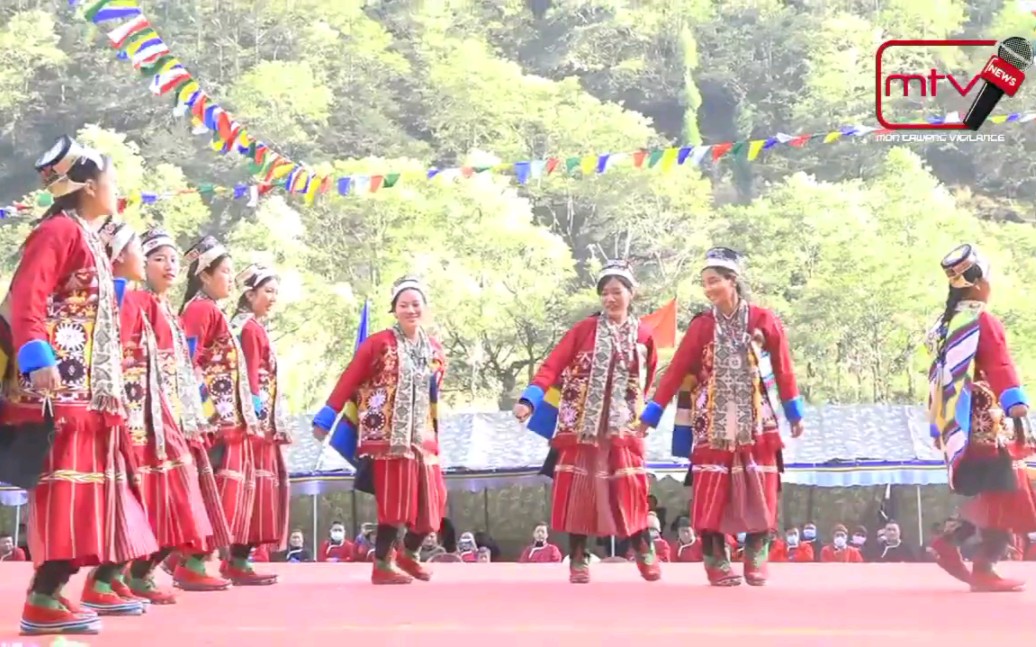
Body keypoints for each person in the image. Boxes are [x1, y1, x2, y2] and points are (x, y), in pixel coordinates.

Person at [0, 137, 158, 635]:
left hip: (87, 393)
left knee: (89, 492)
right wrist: (35, 354)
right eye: (111, 180)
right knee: (69, 490)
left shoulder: (86, 237)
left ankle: (53, 593)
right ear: (89, 186)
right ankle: (43, 597)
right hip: (60, 392)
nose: (115, 190)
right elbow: (29, 293)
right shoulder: (57, 232)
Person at [637, 247, 805, 587]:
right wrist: (651, 414)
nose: (709, 289)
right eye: (705, 284)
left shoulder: (763, 320)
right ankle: (716, 560)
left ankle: (756, 556)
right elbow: (676, 371)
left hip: (758, 421)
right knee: (711, 490)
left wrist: (794, 412)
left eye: (714, 281)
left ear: (733, 281)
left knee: (762, 487)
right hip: (712, 422)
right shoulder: (702, 326)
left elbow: (783, 367)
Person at [103, 223, 231, 599]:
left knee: (176, 497)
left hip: (171, 420)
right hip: (144, 423)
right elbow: (121, 357)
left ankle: (136, 574)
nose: (169, 266)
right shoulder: (135, 302)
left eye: (174, 260)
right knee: (162, 497)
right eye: (159, 258)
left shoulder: (166, 310)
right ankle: (123, 575)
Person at [514, 260, 661, 584]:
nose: (610, 299)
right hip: (582, 428)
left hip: (623, 428)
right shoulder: (583, 331)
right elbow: (552, 366)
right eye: (605, 293)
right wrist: (529, 400)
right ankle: (578, 557)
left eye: (617, 292)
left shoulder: (645, 335)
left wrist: (641, 413)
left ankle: (643, 546)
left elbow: (649, 378)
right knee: (581, 490)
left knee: (630, 489)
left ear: (631, 294)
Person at [311, 276, 448, 584]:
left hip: (423, 439)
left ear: (425, 308)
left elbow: (434, 392)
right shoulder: (379, 343)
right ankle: (382, 565)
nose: (410, 310)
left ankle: (409, 554)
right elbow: (350, 378)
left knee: (434, 503)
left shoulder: (435, 349)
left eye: (416, 304)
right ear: (394, 309)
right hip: (386, 438)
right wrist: (327, 416)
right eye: (404, 305)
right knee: (395, 505)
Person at [926, 244, 1036, 592]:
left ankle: (965, 552)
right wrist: (1016, 402)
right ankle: (977, 562)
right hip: (987, 424)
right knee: (1007, 494)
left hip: (958, 424)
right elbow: (1000, 364)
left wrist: (936, 424)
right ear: (976, 285)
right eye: (988, 279)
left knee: (996, 495)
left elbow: (936, 379)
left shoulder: (945, 324)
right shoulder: (982, 321)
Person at [180, 236, 276, 586]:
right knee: (213, 490)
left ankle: (201, 562)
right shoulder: (201, 309)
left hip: (223, 419)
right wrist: (199, 413)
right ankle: (191, 563)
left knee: (221, 489)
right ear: (204, 275)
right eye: (224, 271)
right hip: (213, 421)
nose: (230, 279)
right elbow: (188, 360)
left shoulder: (210, 310)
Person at [230, 264, 291, 566]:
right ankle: (238, 557)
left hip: (260, 419)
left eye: (275, 292)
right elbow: (251, 371)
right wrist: (254, 408)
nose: (273, 298)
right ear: (249, 294)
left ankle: (241, 557)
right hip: (255, 424)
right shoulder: (249, 328)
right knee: (255, 485)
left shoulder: (249, 325)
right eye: (267, 291)